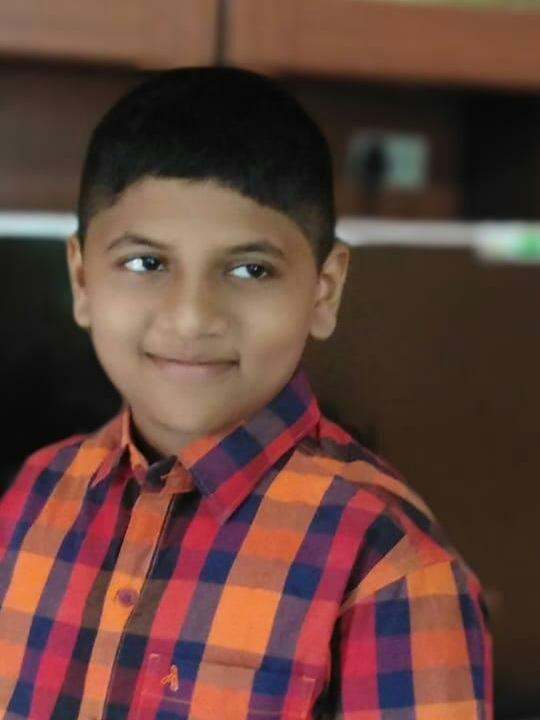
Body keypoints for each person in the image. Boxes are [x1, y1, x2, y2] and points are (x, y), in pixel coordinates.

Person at [0, 66, 492, 719]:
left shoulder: (390, 567)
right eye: (146, 262)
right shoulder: (32, 498)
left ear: (325, 291)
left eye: (250, 269)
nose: (190, 317)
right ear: (82, 279)